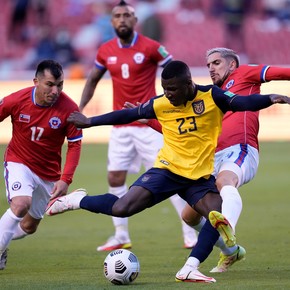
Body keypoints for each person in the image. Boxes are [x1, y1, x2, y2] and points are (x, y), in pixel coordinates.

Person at [46, 60, 290, 282]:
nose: (168, 94)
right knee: (122, 208)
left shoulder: (211, 96)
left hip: (199, 178)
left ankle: (190, 268)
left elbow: (241, 103)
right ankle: (78, 200)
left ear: (188, 83)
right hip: (167, 171)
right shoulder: (161, 103)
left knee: (217, 215)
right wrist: (90, 121)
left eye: (173, 89)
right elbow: (128, 113)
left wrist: (270, 98)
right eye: (165, 88)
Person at [78, 0, 197, 251]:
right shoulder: (105, 50)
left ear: (135, 21)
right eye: (117, 15)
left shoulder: (152, 47)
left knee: (169, 177)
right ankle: (120, 234)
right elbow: (92, 80)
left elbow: (179, 73)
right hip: (121, 127)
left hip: (148, 124)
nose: (122, 19)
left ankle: (190, 232)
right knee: (114, 176)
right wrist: (80, 110)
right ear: (112, 22)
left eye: (127, 15)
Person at [176, 47, 290, 273]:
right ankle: (231, 251)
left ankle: (228, 226)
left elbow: (281, 72)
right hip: (213, 157)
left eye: (216, 63)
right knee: (189, 216)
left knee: (224, 182)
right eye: (208, 65)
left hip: (241, 149)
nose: (211, 68)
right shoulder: (212, 95)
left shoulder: (245, 73)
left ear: (232, 65)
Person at [0, 59, 83, 270]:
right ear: (36, 81)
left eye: (60, 85)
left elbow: (74, 146)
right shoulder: (16, 100)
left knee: (28, 226)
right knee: (20, 204)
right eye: (49, 84)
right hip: (19, 161)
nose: (55, 91)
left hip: (48, 173)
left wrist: (66, 179)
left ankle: (3, 240)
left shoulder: (69, 109)